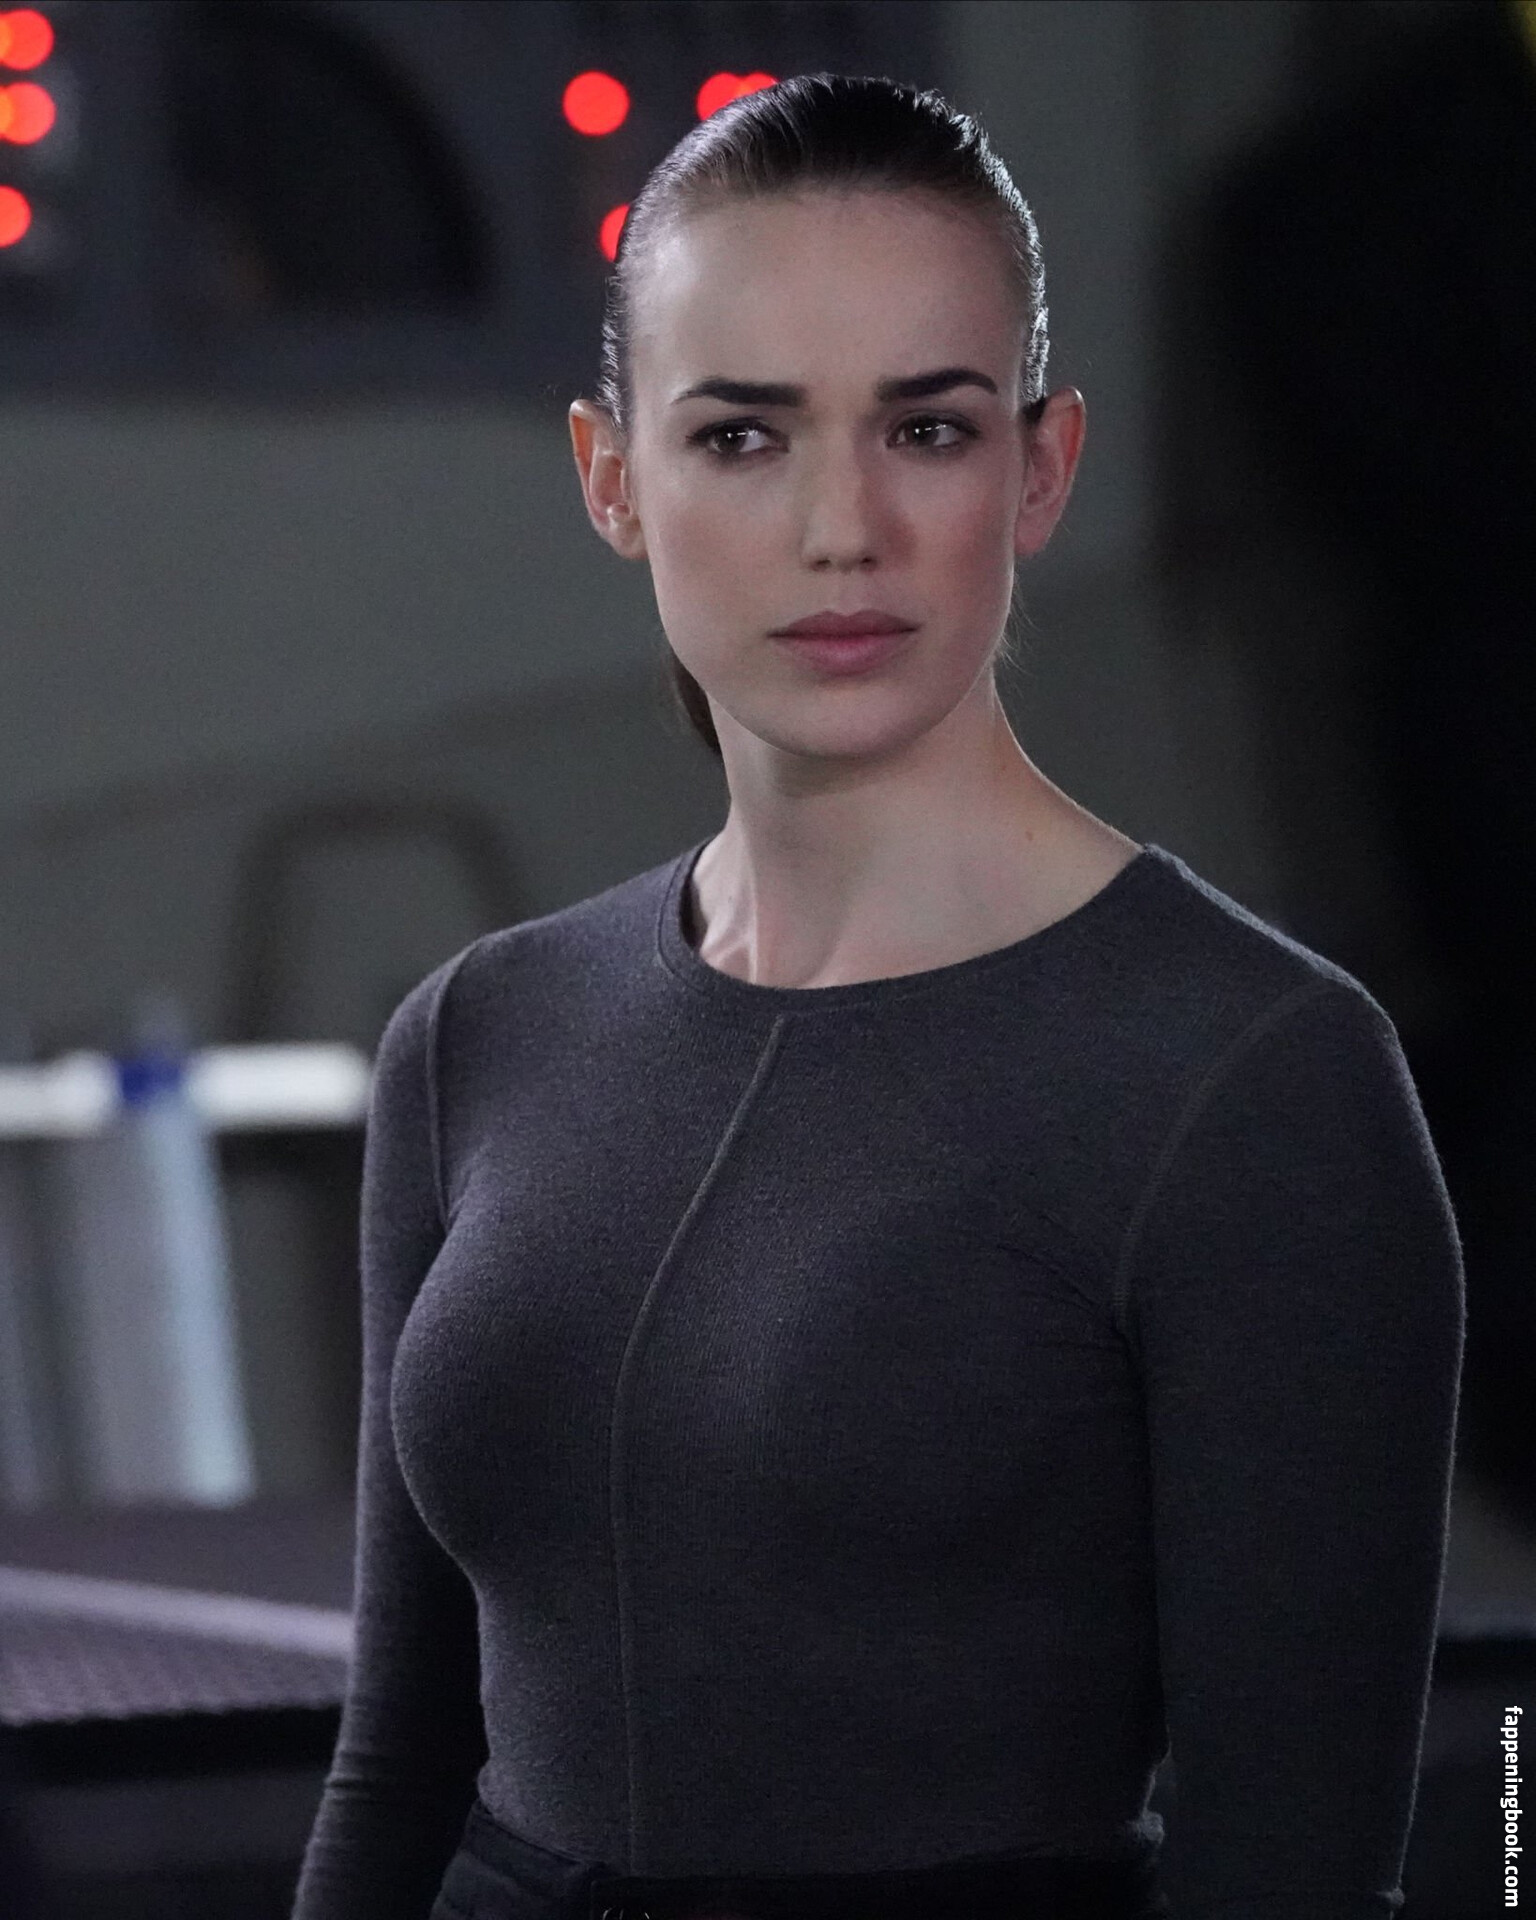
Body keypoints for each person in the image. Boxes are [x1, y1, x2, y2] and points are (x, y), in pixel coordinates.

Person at [290, 72, 1464, 1920]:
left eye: (925, 429)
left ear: (1041, 468)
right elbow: (398, 1761)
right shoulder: (479, 1037)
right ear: (613, 477)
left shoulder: (1252, 1079)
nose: (844, 525)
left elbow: (1292, 1872)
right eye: (743, 436)